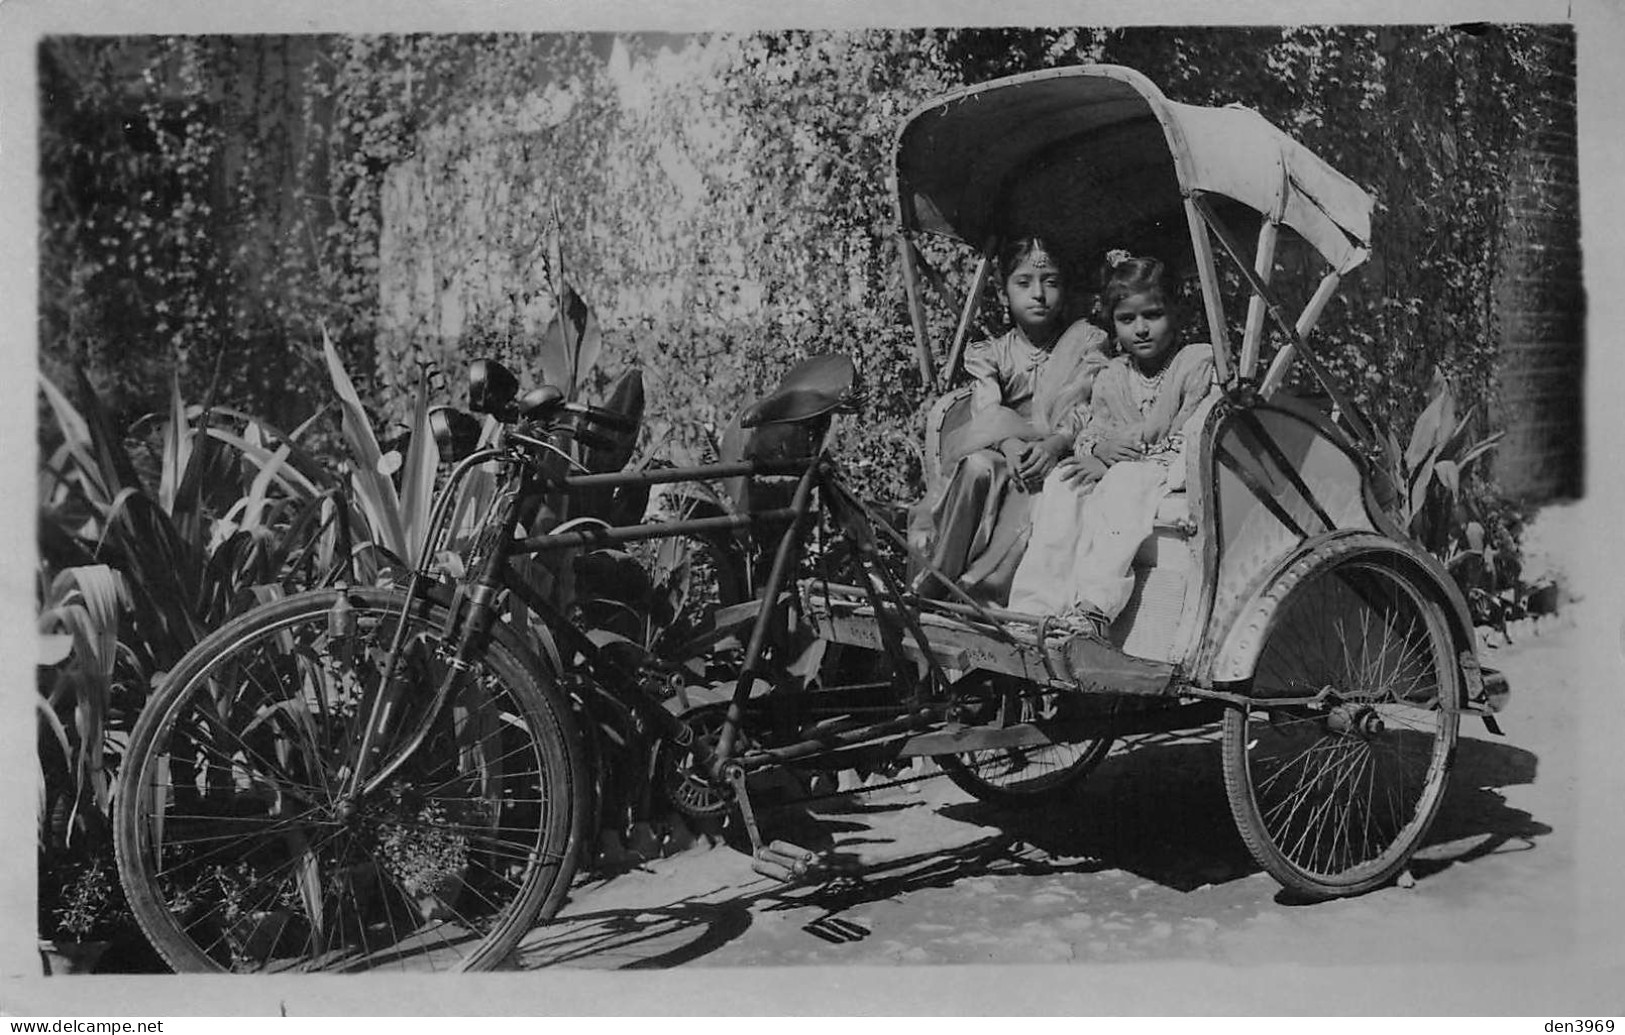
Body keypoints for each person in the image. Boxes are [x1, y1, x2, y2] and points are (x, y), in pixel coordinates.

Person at [1006, 252, 1216, 626]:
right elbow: (1094, 429)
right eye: (1126, 319)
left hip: (1169, 472)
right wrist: (1098, 450)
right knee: (1063, 482)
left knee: (1123, 481)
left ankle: (1096, 607)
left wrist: (1122, 462)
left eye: (1152, 315)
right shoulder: (1113, 374)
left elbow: (1194, 434)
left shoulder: (1194, 364)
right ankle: (1034, 607)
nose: (1140, 329)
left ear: (1176, 313)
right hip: (1121, 467)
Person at [914, 236, 1110, 604]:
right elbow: (987, 410)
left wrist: (1054, 445)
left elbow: (1088, 403)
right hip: (1004, 450)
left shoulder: (1085, 342)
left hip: (1059, 451)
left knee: (1052, 489)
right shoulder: (992, 352)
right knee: (976, 467)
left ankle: (984, 589)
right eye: (1024, 283)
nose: (1038, 293)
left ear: (1064, 290)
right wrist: (1011, 445)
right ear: (1004, 294)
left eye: (1050, 282)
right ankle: (939, 575)